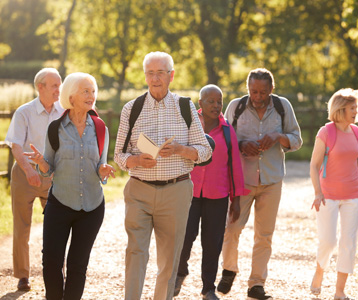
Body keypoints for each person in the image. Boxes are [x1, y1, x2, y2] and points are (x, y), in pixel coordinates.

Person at [114, 51, 212, 300]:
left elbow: (204, 150)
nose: (155, 79)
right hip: (139, 190)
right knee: (135, 252)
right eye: (150, 73)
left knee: (169, 258)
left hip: (176, 191)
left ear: (171, 75)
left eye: (160, 73)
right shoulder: (131, 109)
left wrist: (181, 149)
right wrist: (136, 160)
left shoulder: (185, 106)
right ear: (145, 76)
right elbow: (118, 155)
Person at [25, 72, 115, 299]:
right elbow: (49, 168)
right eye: (85, 91)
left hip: (92, 207)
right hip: (60, 204)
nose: (91, 96)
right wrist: (40, 163)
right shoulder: (55, 128)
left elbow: (101, 166)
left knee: (78, 265)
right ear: (71, 96)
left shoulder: (101, 128)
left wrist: (103, 171)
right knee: (52, 262)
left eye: (93, 91)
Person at [218, 68, 302, 300]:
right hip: (241, 180)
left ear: (271, 89)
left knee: (264, 234)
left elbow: (297, 140)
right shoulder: (236, 107)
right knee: (232, 227)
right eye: (253, 91)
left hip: (272, 180)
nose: (257, 96)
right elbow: (225, 139)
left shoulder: (283, 107)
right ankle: (229, 269)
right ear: (248, 88)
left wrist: (278, 137)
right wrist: (242, 144)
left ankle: (256, 284)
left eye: (262, 92)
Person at [174, 85, 247, 300]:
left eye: (219, 101)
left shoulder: (227, 131)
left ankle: (208, 288)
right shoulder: (187, 125)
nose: (216, 105)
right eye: (211, 101)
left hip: (218, 195)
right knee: (185, 236)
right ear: (200, 103)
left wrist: (236, 200)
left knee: (212, 242)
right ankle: (179, 273)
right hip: (189, 193)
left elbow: (234, 166)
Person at [5, 68, 64, 291]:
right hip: (24, 173)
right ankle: (22, 276)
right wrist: (29, 171)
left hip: (52, 174)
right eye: (55, 85)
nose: (59, 90)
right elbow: (16, 145)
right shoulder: (24, 112)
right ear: (40, 87)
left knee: (57, 225)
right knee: (22, 226)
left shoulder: (63, 111)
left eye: (60, 85)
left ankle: (56, 271)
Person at [309, 88, 358, 300]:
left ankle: (339, 290)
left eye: (356, 108)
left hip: (353, 195)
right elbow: (314, 166)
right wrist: (317, 192)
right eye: (352, 108)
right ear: (341, 109)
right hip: (327, 195)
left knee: (348, 242)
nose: (356, 112)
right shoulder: (326, 132)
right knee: (329, 241)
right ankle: (320, 269)